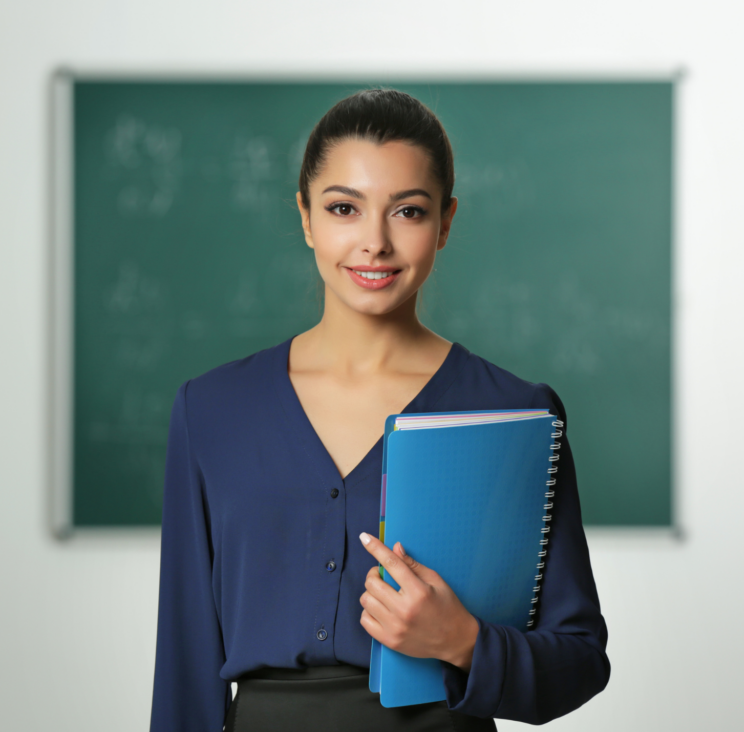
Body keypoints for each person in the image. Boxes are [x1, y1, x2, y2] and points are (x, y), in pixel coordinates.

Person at [149, 88, 610, 732]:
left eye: (408, 212)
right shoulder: (212, 411)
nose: (374, 242)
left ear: (446, 222)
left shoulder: (514, 413)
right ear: (306, 217)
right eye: (344, 208)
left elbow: (580, 660)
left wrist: (465, 642)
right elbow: (185, 661)